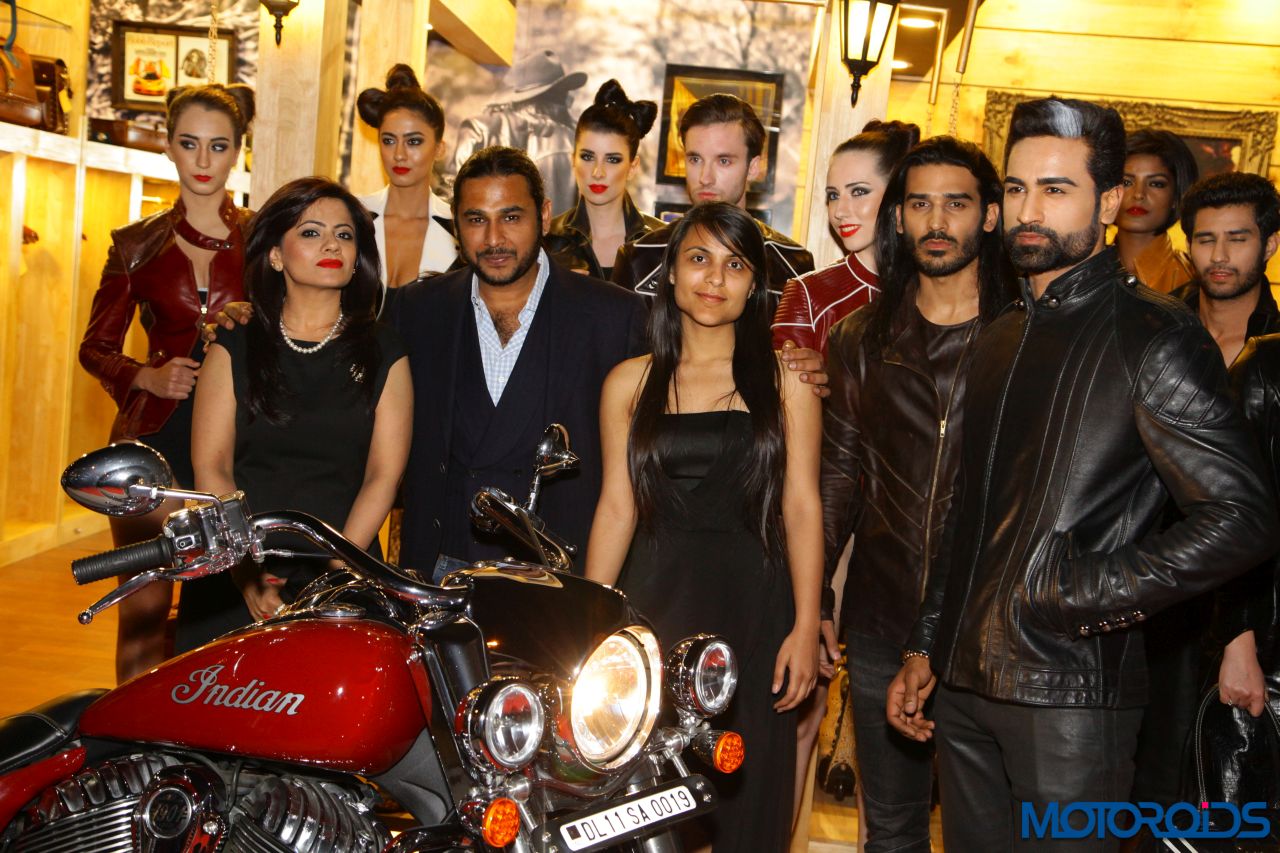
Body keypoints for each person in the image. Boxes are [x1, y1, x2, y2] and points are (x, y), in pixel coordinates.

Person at [885, 97, 1278, 851]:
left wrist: (1088, 594)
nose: (1030, 210)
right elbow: (969, 509)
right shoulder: (998, 333)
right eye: (1017, 187)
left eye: (1056, 189)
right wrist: (925, 642)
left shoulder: (1156, 335)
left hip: (1071, 696)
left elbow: (1244, 517)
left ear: (1108, 203)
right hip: (963, 685)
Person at [585, 201, 822, 852]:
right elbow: (616, 507)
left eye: (735, 264)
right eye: (698, 258)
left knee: (748, 801)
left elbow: (802, 506)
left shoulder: (786, 383)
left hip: (755, 614)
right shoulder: (628, 383)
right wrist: (589, 623)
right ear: (670, 273)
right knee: (642, 805)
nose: (715, 278)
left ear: (754, 285)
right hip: (652, 613)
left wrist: (805, 625)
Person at [822, 136, 1009, 852]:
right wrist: (817, 602)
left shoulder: (1024, 338)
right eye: (919, 203)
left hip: (990, 626)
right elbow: (838, 477)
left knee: (986, 830)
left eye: (955, 203)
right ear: (897, 218)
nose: (936, 220)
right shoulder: (862, 339)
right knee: (892, 825)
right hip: (882, 615)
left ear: (989, 215)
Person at [390, 146, 648, 576]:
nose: (494, 239)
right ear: (456, 224)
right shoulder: (417, 310)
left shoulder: (614, 317)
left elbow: (642, 468)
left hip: (561, 572)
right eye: (476, 220)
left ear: (544, 216)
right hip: (439, 568)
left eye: (511, 217)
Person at [184, 177, 411, 651]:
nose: (331, 244)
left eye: (344, 235)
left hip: (343, 572)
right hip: (235, 568)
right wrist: (245, 574)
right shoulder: (233, 343)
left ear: (357, 258)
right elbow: (211, 468)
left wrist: (337, 574)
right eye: (311, 232)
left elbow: (383, 477)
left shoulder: (384, 350)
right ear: (275, 255)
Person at [79, 82, 255, 682]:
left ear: (237, 152)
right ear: (169, 147)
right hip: (151, 444)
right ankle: (126, 732)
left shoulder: (263, 237)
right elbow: (94, 348)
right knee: (144, 609)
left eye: (218, 146)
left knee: (226, 609)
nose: (203, 160)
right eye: (189, 143)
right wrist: (146, 375)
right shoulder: (134, 245)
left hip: (235, 440)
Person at [1130, 171, 1280, 812]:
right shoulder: (1150, 328)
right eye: (1205, 239)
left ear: (1270, 244)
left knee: (1218, 795)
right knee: (1134, 782)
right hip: (1147, 589)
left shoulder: (1276, 355)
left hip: (1251, 608)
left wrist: (1240, 632)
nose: (1219, 256)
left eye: (1238, 239)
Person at [612, 93, 814, 302]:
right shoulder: (639, 259)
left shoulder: (792, 265)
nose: (705, 178)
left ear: (753, 167)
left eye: (723, 161)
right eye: (695, 159)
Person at [771, 120, 919, 355]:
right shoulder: (807, 294)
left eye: (858, 192)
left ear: (897, 197)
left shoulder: (936, 289)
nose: (839, 211)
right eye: (833, 195)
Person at [356, 64, 458, 292]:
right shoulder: (353, 217)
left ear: (439, 149)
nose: (399, 154)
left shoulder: (457, 229)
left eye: (413, 141)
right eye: (389, 141)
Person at [546, 79, 662, 279]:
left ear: (632, 167)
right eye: (587, 157)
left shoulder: (662, 241)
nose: (597, 172)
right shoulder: (546, 241)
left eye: (612, 159)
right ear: (573, 160)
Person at [449, 50, 587, 216]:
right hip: (557, 233)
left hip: (487, 230)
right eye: (562, 91)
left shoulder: (480, 128)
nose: (566, 98)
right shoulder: (577, 139)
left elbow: (451, 192)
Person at [1112, 129, 1198, 293]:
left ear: (1176, 196)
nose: (1139, 194)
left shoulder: (1193, 279)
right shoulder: (1079, 270)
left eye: (1156, 184)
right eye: (1126, 182)